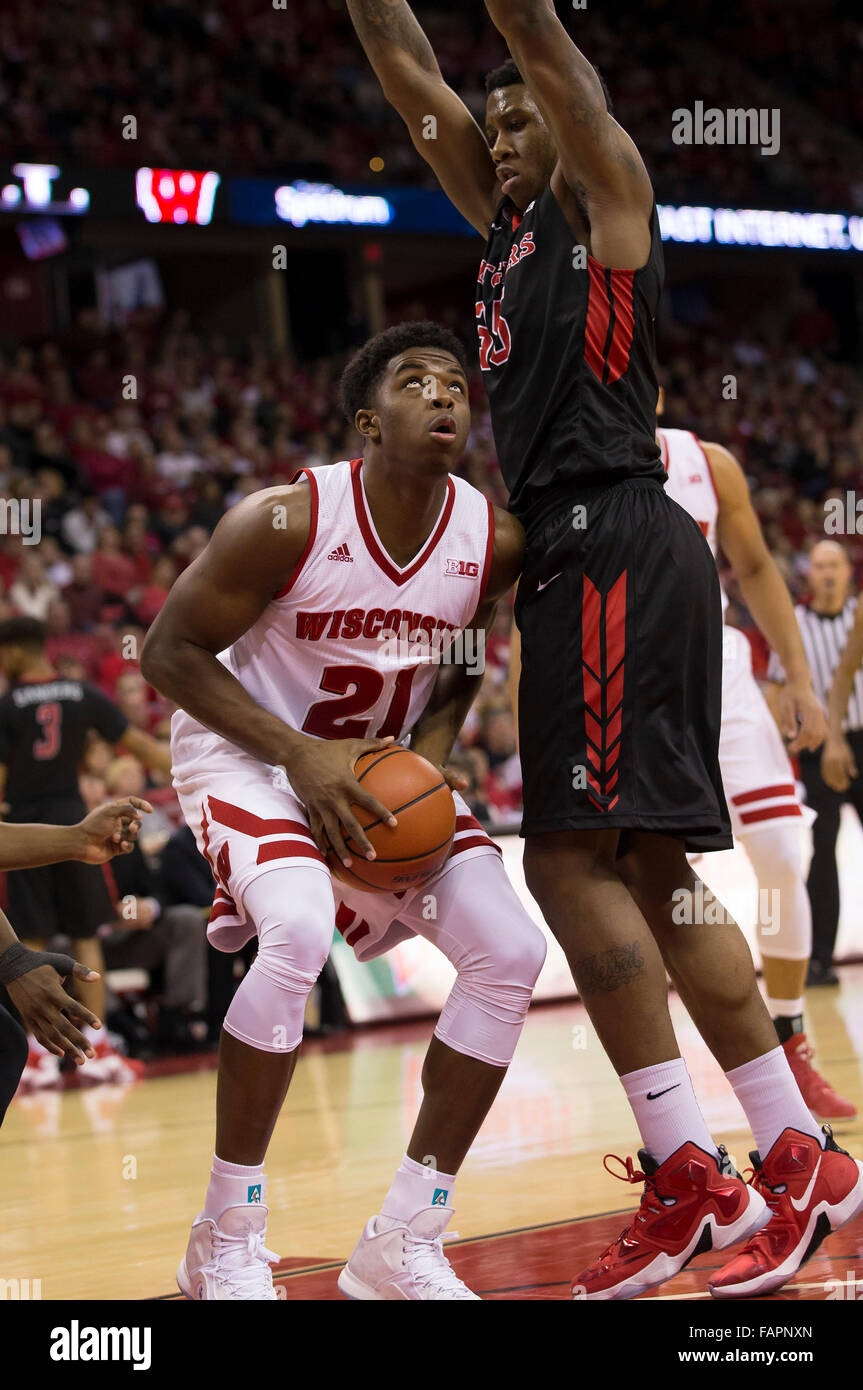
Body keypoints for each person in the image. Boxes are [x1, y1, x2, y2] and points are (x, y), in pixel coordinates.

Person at [347, 0, 863, 1300]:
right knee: (646, 865)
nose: (506, 135)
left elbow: (544, 51)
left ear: (568, 117)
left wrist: (532, 54)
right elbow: (404, 63)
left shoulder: (607, 194)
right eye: (497, 124)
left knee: (568, 862)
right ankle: (794, 1150)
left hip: (607, 536)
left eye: (524, 116)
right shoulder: (507, 224)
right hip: (594, 553)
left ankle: (693, 1160)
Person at [141, 321, 547, 1301]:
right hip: (248, 754)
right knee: (293, 926)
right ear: (368, 421)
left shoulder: (488, 537)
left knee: (511, 950)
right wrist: (296, 755)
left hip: (374, 775)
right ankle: (224, 1236)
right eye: (415, 383)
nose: (444, 396)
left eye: (455, 383)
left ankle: (404, 1232)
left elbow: (460, 664)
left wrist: (433, 761)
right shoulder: (282, 520)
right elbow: (166, 655)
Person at [657, 419, 854, 1119]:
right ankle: (671, 1084)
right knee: (656, 877)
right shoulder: (564, 463)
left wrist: (798, 680)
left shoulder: (705, 463)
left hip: (720, 664)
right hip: (629, 685)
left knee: (778, 847)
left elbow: (758, 567)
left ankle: (790, 1034)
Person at [0, 616, 172, 1086]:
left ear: (14, 652)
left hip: (21, 828)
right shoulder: (83, 695)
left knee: (28, 939)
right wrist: (187, 778)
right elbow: (135, 742)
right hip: (77, 820)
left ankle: (36, 1055)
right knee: (85, 933)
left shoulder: (8, 703)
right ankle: (96, 1048)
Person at [0, 796, 150, 1123]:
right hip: (43, 806)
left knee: (6, 1045)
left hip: (48, 811)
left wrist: (79, 838)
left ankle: (95, 1043)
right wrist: (12, 960)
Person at [768, 540, 863, 985]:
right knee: (822, 851)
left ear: (848, 571)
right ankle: (819, 960)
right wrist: (783, 743)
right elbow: (775, 685)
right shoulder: (795, 626)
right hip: (817, 745)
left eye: (834, 565)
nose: (827, 572)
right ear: (809, 573)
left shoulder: (857, 616)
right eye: (819, 565)